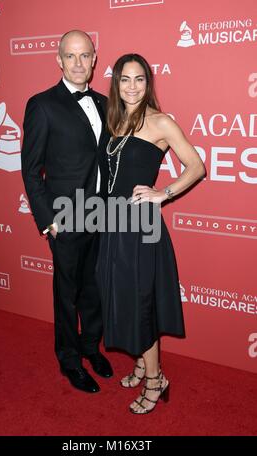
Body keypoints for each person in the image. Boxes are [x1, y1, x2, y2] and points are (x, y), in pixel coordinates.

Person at [96, 54, 205, 413]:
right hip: (112, 225)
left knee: (139, 303)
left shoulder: (161, 122)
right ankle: (144, 364)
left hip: (139, 228)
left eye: (139, 79)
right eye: (124, 79)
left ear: (148, 82)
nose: (131, 87)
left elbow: (196, 166)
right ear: (116, 83)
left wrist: (164, 193)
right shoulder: (115, 118)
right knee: (126, 299)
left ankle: (157, 380)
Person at [21, 30, 113, 394]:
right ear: (58, 60)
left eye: (84, 55)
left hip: (103, 213)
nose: (78, 63)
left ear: (94, 59)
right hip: (65, 217)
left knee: (95, 288)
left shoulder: (107, 103)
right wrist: (48, 219)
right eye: (70, 56)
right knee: (67, 291)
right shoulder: (42, 104)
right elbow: (30, 169)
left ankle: (91, 347)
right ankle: (69, 359)